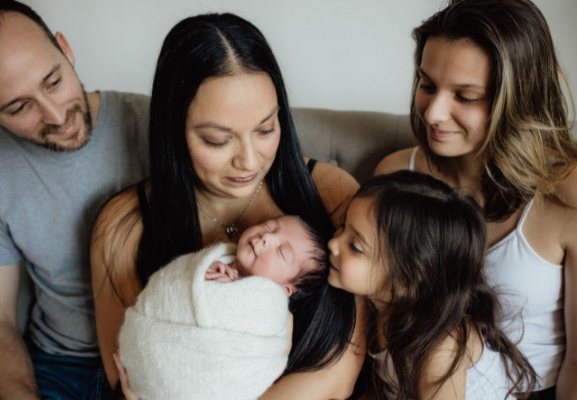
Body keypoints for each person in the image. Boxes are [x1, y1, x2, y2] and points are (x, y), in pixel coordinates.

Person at [90, 12, 366, 400]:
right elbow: (131, 371)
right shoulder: (125, 225)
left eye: (266, 129)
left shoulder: (333, 194)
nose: (250, 161)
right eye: (218, 141)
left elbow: (338, 376)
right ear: (173, 132)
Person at [373, 1, 577, 398]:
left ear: (517, 100)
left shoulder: (564, 200)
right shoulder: (398, 177)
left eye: (465, 96)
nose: (433, 113)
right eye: (427, 85)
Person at [0, 0, 150, 399]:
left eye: (53, 81)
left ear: (65, 49)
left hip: (150, 351)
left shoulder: (155, 124)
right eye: (20, 107)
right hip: (56, 364)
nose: (56, 116)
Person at [328, 170, 537, 399]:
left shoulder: (442, 345)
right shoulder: (376, 305)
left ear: (407, 280)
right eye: (342, 226)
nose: (333, 243)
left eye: (356, 247)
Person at [116, 215, 329, 400]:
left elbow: (258, 363)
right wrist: (205, 273)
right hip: (147, 351)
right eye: (268, 226)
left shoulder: (274, 316)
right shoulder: (220, 257)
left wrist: (231, 294)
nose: (267, 238)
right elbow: (178, 282)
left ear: (287, 289)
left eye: (282, 252)